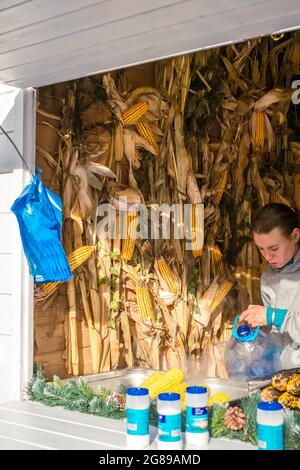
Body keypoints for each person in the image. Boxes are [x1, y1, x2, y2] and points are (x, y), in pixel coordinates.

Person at [239, 203, 300, 370]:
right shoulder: (268, 275)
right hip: (285, 377)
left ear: (295, 236)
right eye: (261, 249)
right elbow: (279, 332)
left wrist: (273, 316)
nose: (267, 256)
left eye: (273, 248)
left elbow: (277, 318)